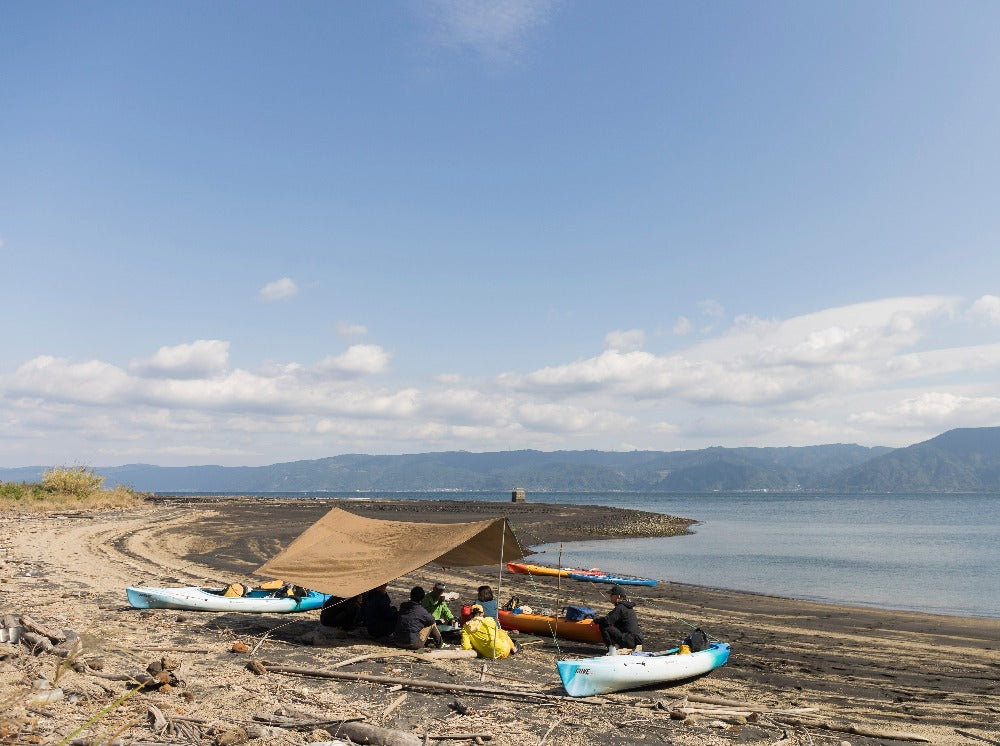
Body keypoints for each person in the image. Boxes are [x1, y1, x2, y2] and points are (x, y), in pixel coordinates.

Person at [594, 585, 643, 654]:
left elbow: (607, 621)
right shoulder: (628, 606)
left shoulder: (620, 607)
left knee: (603, 625)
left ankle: (611, 649)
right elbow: (612, 618)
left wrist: (596, 620)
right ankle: (618, 646)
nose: (610, 596)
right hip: (635, 640)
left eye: (612, 595)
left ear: (618, 597)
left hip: (628, 641)